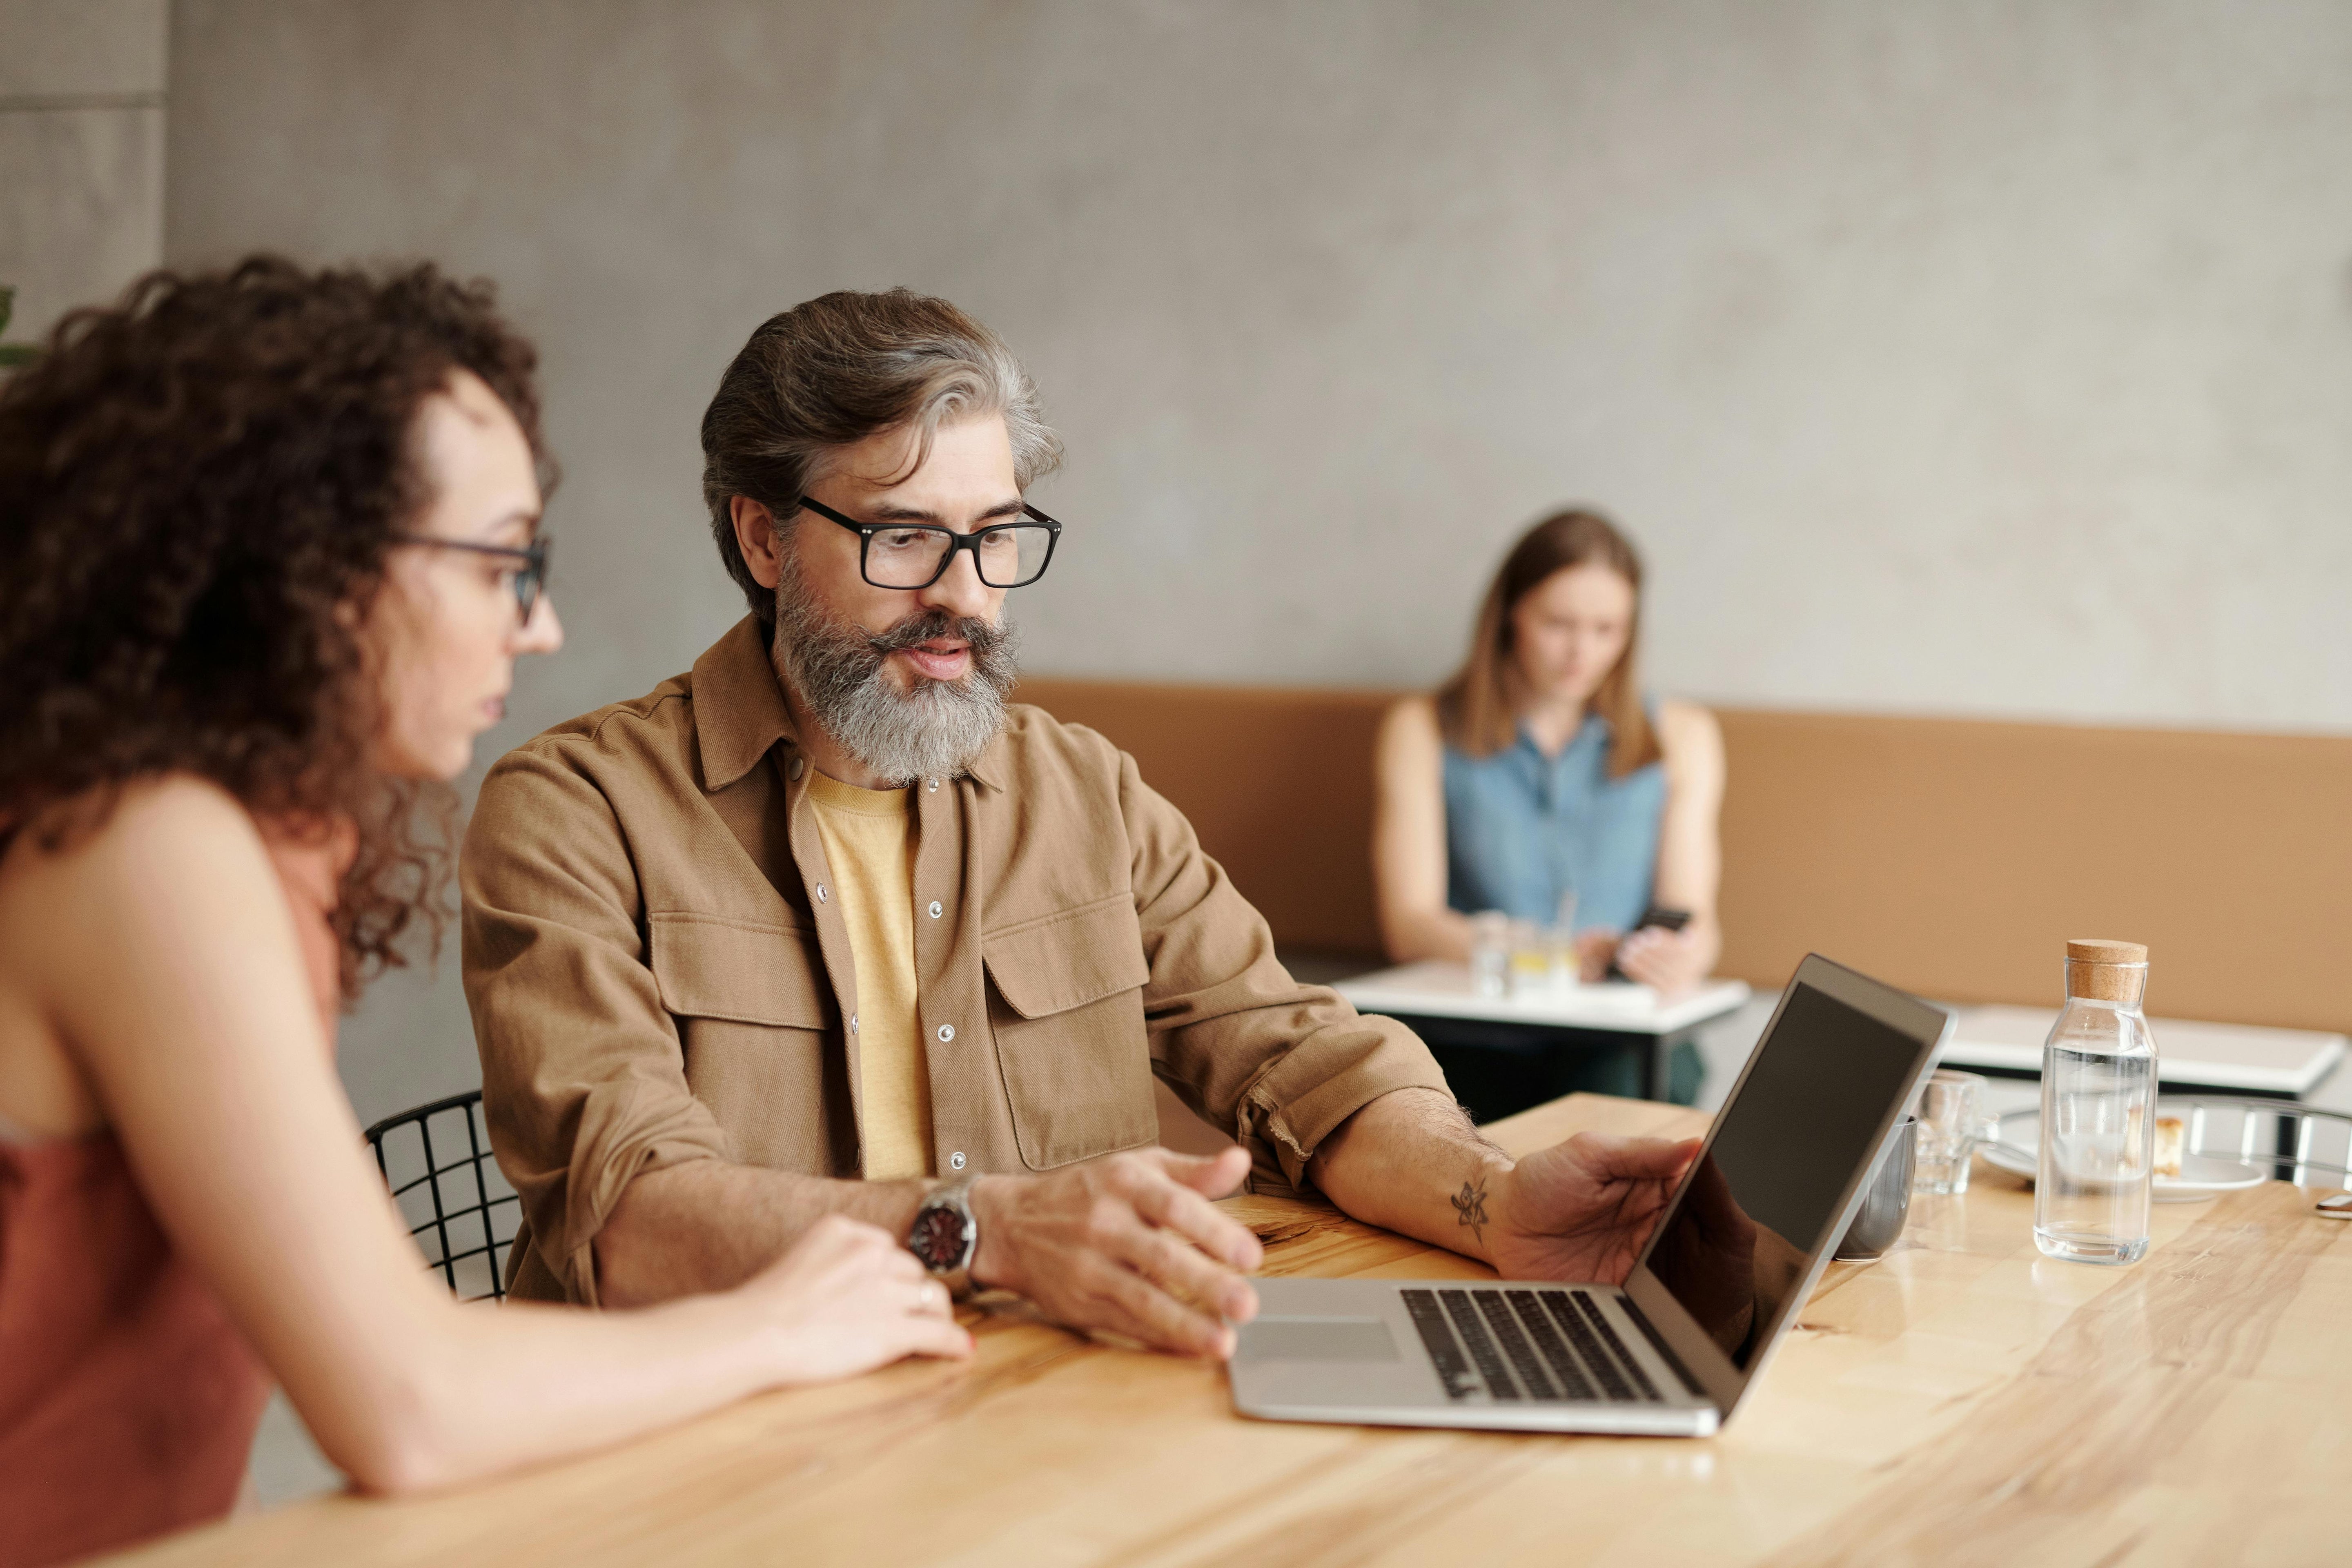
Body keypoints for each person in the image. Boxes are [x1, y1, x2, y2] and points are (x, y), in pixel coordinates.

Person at [461, 288, 1703, 1363]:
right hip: (716, 1454)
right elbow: (630, 1222)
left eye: (997, 539)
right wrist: (989, 1231)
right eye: (905, 539)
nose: (964, 598)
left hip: (1043, 1408)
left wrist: (1493, 1198)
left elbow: (1300, 1060)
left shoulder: (1083, 793)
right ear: (761, 537)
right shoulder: (574, 812)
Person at [0, 260, 967, 1567]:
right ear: (308, 568)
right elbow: (411, 1403)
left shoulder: (245, 835)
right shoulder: (151, 847)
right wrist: (787, 1322)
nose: (543, 625)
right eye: (504, 562)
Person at [1370, 510, 1726, 1105]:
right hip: (1473, 1032)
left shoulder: (1683, 736)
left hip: (1617, 1038)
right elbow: (1409, 925)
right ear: (1512, 614)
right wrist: (1545, 957)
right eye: (1559, 624)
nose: (1581, 653)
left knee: (1627, 1097)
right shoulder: (1423, 729)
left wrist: (1678, 960)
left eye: (1607, 629)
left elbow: (1695, 918)